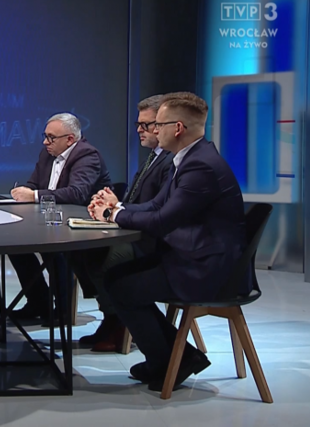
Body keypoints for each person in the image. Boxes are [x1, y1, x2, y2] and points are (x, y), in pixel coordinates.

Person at [89, 92, 247, 391]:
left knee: (122, 286)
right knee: (115, 278)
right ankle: (175, 357)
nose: (153, 130)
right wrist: (117, 208)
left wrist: (111, 215)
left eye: (158, 125)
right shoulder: (187, 159)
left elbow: (163, 221)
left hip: (208, 269)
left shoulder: (201, 166)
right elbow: (155, 206)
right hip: (193, 257)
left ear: (177, 128)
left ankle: (172, 360)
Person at [75, 95, 174, 352]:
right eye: (138, 124)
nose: (139, 130)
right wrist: (114, 203)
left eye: (146, 124)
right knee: (80, 252)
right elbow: (141, 201)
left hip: (154, 242)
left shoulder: (171, 161)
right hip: (137, 230)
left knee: (107, 258)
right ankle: (111, 317)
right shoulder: (153, 157)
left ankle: (119, 322)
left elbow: (159, 209)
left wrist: (115, 210)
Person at [9, 113, 112, 324]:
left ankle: (64, 310)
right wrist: (23, 192)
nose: (45, 142)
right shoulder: (47, 154)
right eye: (45, 136)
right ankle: (39, 302)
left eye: (51, 138)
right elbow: (34, 184)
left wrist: (33, 195)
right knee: (15, 246)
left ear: (70, 139)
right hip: (49, 219)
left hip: (81, 223)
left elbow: (77, 194)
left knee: (54, 248)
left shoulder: (87, 155)